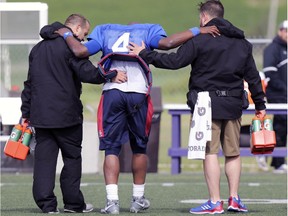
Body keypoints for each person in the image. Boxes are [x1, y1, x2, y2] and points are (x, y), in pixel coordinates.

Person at [56, 22, 219, 214]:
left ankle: (112, 202)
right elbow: (168, 44)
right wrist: (196, 30)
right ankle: (138, 198)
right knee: (140, 148)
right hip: (138, 92)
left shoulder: (104, 30)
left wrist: (66, 33)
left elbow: (82, 50)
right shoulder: (149, 30)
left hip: (113, 91)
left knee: (111, 149)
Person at [128, 0, 266, 214]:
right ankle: (235, 199)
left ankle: (214, 202)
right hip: (233, 103)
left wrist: (144, 54)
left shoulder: (200, 39)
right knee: (233, 153)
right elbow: (253, 77)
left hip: (206, 104)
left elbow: (174, 62)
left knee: (210, 152)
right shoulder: (242, 43)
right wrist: (260, 104)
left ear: (204, 17)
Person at [20, 14, 127, 214]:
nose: (83, 40)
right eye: (84, 34)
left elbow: (29, 84)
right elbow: (88, 73)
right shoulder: (71, 46)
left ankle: (47, 205)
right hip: (66, 115)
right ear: (76, 28)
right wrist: (111, 74)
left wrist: (26, 112)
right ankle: (73, 204)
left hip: (40, 116)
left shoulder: (37, 48)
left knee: (44, 161)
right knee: (71, 159)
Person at [257, 20, 287, 173]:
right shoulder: (272, 49)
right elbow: (270, 73)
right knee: (280, 123)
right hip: (277, 95)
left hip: (285, 95)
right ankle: (269, 156)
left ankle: (277, 161)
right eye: (286, 31)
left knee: (282, 126)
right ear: (280, 31)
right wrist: (285, 88)